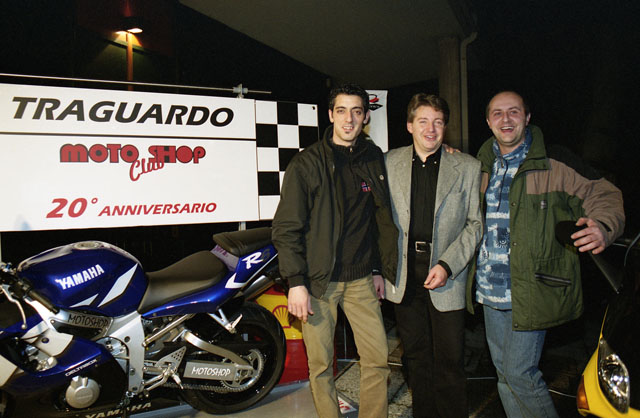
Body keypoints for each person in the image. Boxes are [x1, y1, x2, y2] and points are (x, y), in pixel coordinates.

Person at [466, 90, 625, 417]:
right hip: (490, 290)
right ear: (488, 121)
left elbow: (604, 193)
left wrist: (603, 226)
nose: (506, 119)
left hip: (533, 288)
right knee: (504, 375)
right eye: (497, 113)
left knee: (520, 374)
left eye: (514, 112)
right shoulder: (480, 166)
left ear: (527, 117)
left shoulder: (554, 162)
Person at [271, 83, 398, 418]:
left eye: (356, 111)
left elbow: (377, 219)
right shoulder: (307, 163)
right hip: (318, 283)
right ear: (330, 115)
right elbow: (286, 228)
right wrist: (296, 282)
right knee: (321, 366)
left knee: (377, 360)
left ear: (366, 116)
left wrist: (377, 269)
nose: (349, 119)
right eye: (341, 111)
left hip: (362, 280)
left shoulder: (373, 158)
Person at [384, 93, 482, 418]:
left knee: (450, 361)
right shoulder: (388, 163)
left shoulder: (467, 167)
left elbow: (474, 225)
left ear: (445, 127)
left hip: (446, 277)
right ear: (409, 125)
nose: (431, 129)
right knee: (415, 358)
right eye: (423, 121)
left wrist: (447, 265)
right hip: (404, 277)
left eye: (438, 122)